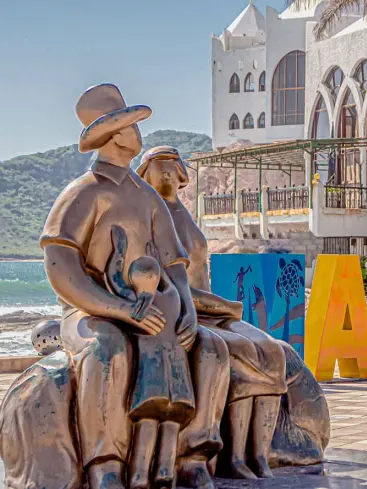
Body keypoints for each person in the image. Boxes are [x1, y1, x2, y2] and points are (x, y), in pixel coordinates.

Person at [40, 85, 230, 489]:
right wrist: (118, 309)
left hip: (153, 306)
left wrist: (188, 309)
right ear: (115, 135)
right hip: (91, 312)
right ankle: (104, 462)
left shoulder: (148, 198)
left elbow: (175, 265)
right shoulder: (83, 192)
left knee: (210, 347)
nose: (138, 131)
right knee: (106, 349)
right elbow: (61, 268)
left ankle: (194, 456)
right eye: (130, 125)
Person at [137, 146, 288, 479]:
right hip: (186, 310)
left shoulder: (183, 213)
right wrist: (222, 306)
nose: (166, 175)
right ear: (144, 173)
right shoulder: (147, 216)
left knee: (272, 352)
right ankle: (224, 456)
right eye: (158, 168)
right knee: (237, 351)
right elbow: (166, 284)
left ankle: (255, 454)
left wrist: (221, 308)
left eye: (171, 168)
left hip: (210, 309)